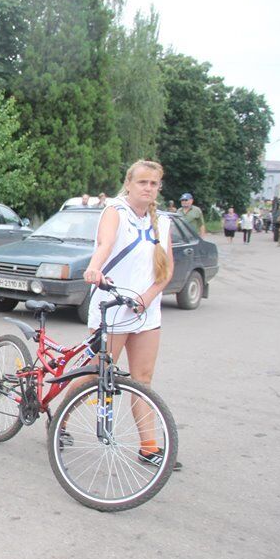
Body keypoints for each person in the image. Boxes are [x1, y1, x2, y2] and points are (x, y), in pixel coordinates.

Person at [83, 160, 180, 470]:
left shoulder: (162, 221)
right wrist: (94, 267)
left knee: (143, 380)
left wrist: (147, 298)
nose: (148, 188)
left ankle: (148, 447)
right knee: (92, 373)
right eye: (142, 183)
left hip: (146, 312)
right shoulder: (115, 211)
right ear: (129, 184)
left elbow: (166, 271)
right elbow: (105, 244)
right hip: (112, 308)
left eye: (154, 184)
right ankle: (60, 419)